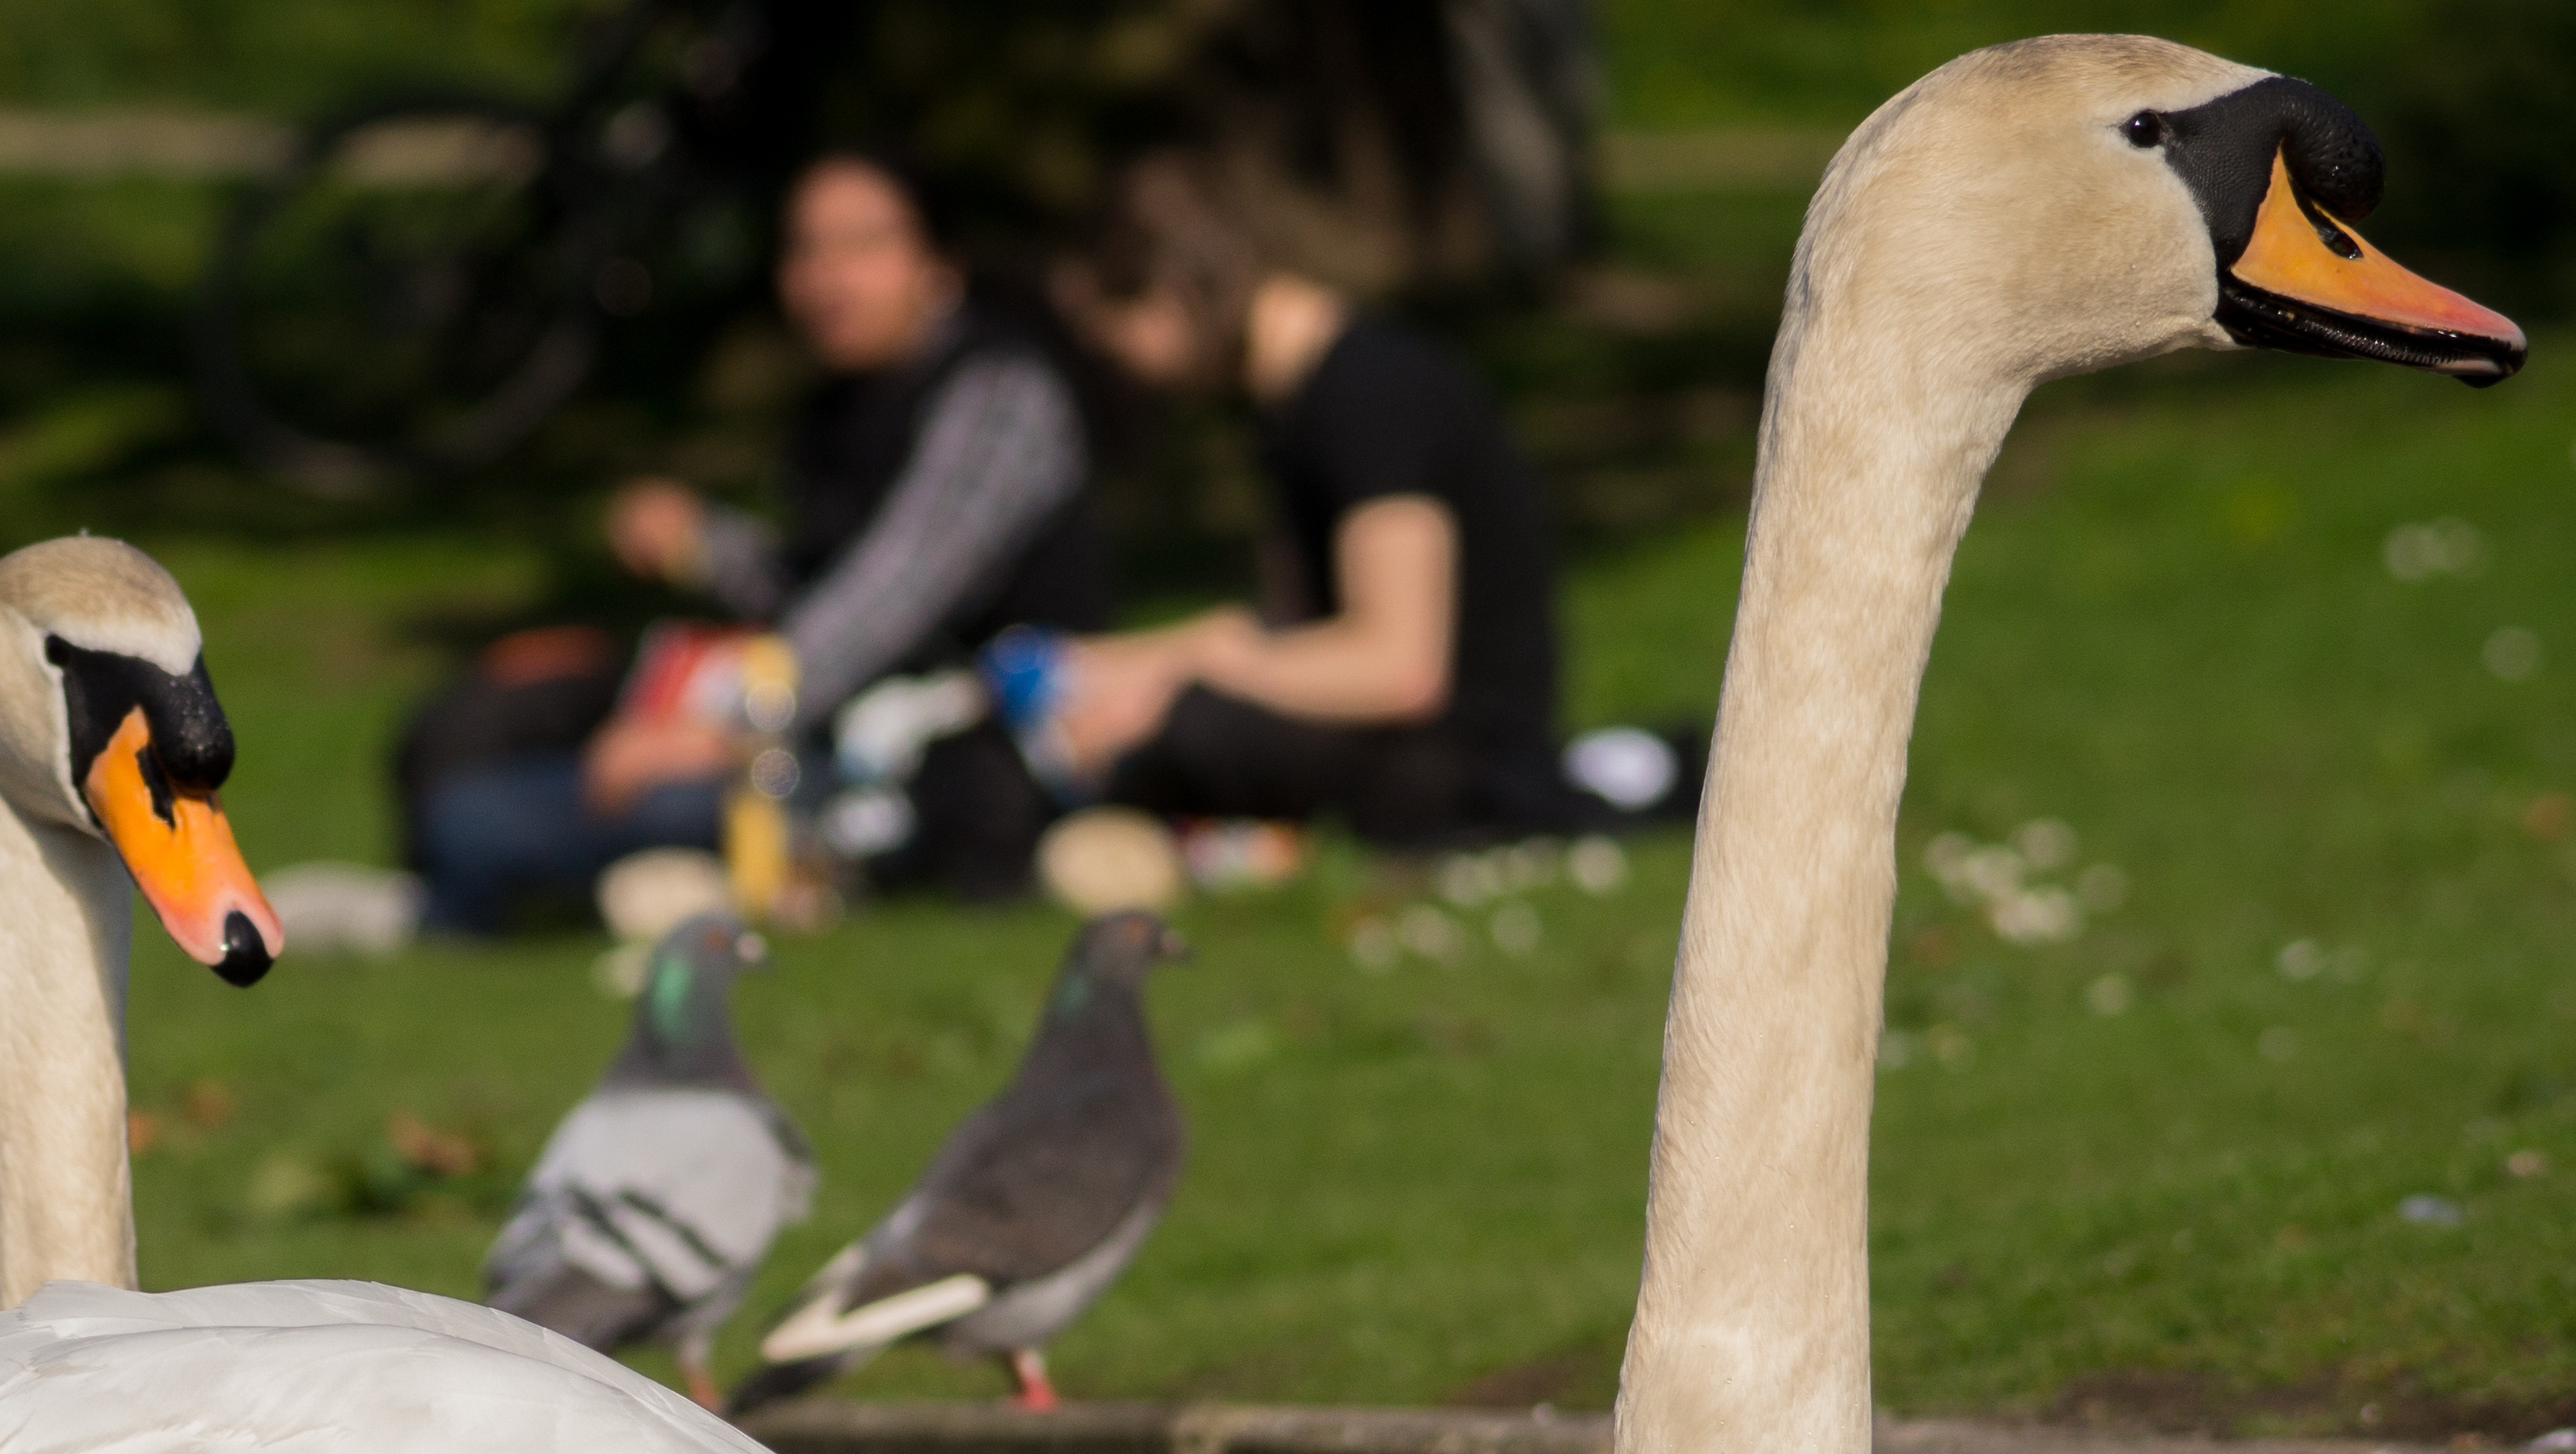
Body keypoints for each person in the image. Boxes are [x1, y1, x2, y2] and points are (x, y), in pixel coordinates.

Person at [400, 152, 1112, 933]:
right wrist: (705, 543)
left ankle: (471, 915)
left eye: (863, 245)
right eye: (805, 249)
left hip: (939, 759)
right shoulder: (839, 406)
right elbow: (813, 588)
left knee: (480, 822)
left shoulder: (1000, 397)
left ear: (940, 265)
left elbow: (892, 597)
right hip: (810, 718)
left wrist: (725, 724)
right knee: (455, 731)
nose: (827, 276)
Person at [1044, 155, 1653, 852]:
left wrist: (1176, 684)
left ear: (1171, 293)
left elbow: (1399, 668)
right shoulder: (1295, 405)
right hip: (1400, 739)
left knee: (1194, 729)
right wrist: (1108, 666)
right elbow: (1296, 627)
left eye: (1113, 341)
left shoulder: (1368, 396)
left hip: (1459, 758)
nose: (1119, 371)